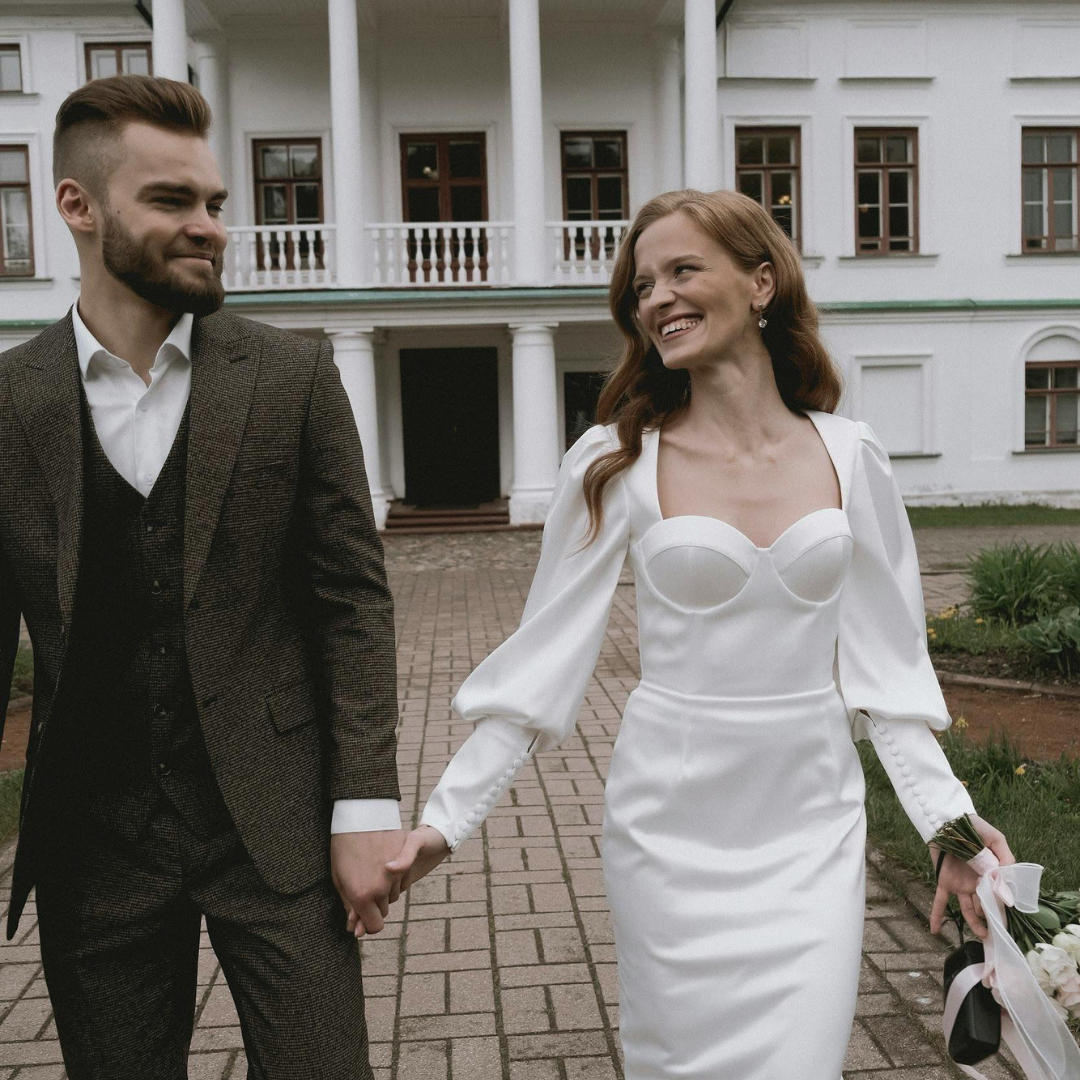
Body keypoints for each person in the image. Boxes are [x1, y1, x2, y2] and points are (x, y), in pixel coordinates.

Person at [387, 189, 1015, 1078]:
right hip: (670, 828)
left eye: (683, 270)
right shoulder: (616, 461)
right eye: (643, 285)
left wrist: (948, 826)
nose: (657, 299)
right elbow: (540, 669)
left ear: (762, 283)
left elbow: (888, 671)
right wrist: (443, 823)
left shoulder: (851, 454)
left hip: (810, 822)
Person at [0, 75, 403, 1079]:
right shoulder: (8, 404)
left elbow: (351, 601)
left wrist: (364, 809)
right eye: (173, 202)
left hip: (277, 825)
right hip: (96, 841)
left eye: (216, 204)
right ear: (78, 208)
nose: (211, 227)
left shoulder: (292, 376)